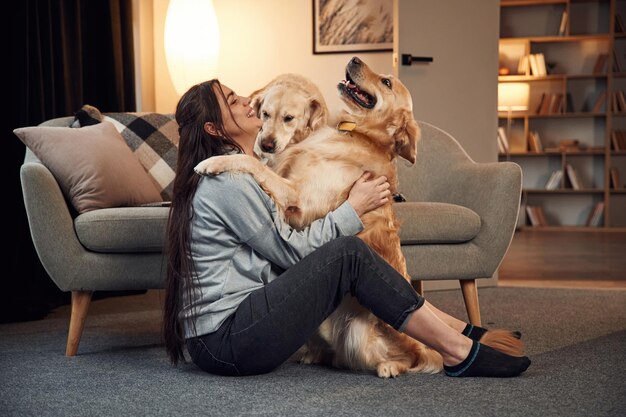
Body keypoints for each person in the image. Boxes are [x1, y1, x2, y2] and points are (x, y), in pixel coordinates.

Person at [163, 79, 531, 378]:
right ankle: (457, 351)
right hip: (227, 342)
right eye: (232, 101)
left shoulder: (242, 168)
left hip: (235, 331)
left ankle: (461, 333)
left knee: (355, 253)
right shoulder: (229, 181)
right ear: (214, 127)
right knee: (349, 254)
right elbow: (294, 253)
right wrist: (353, 208)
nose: (247, 99)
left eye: (237, 93)